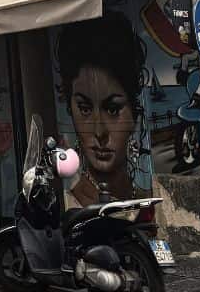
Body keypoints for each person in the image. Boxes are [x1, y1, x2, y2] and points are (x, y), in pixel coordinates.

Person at [56, 13, 146, 208]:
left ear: (134, 113)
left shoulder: (149, 203)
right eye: (85, 109)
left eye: (113, 110)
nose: (99, 132)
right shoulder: (67, 208)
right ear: (70, 110)